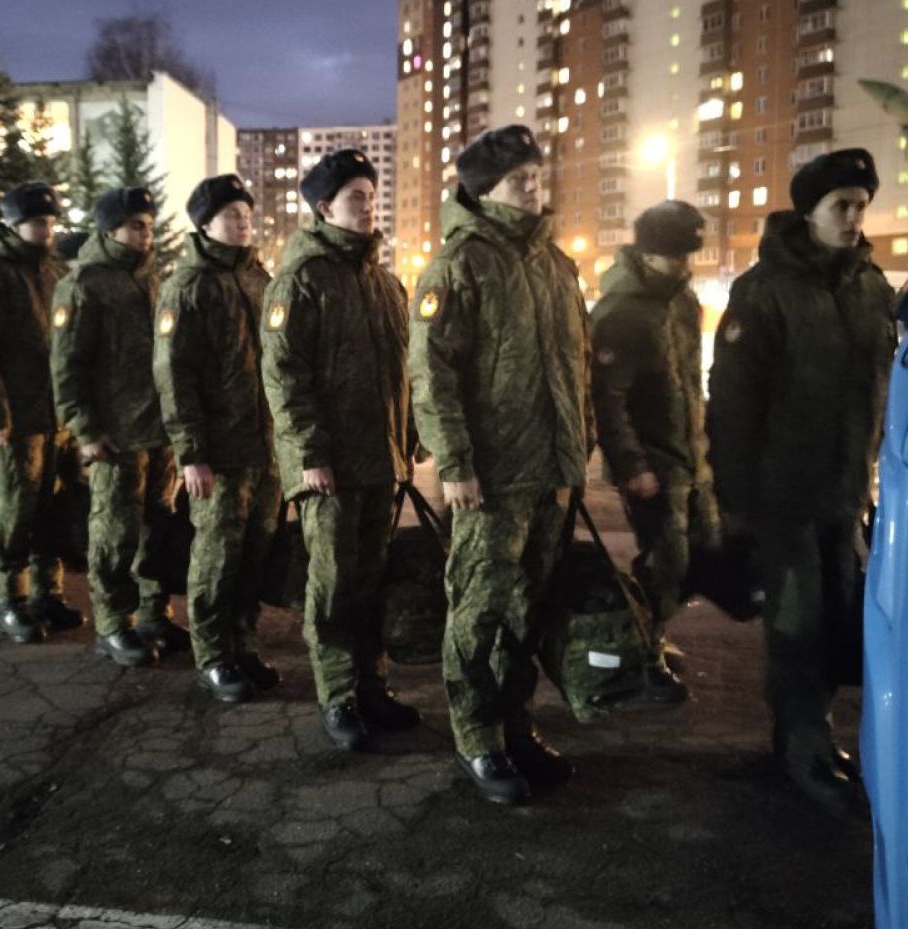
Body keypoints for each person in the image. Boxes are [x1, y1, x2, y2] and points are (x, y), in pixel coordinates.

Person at [707, 148, 896, 818]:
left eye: (861, 206)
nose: (853, 218)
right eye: (841, 206)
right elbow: (732, 409)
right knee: (797, 626)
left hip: (844, 495)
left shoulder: (872, 288)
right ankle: (801, 746)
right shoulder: (763, 292)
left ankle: (817, 735)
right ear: (809, 212)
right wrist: (738, 508)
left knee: (839, 620)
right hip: (782, 499)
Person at [409, 125, 590, 805]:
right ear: (485, 191)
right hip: (491, 477)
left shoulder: (555, 263)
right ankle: (477, 736)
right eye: (519, 180)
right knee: (479, 609)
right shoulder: (459, 264)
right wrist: (454, 463)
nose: (533, 188)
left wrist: (580, 449)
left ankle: (517, 726)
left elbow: (576, 365)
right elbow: (432, 375)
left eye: (536, 176)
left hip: (551, 472)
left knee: (528, 613)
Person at [262, 149, 414, 751]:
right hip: (328, 466)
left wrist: (409, 438)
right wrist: (308, 455)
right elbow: (284, 377)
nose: (368, 206)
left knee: (371, 578)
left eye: (372, 195)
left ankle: (373, 685)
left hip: (379, 460)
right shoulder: (300, 280)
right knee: (331, 584)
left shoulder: (383, 282)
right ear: (324, 208)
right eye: (356, 197)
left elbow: (403, 371)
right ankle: (338, 696)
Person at [153, 174, 282, 703]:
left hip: (264, 447)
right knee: (216, 555)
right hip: (219, 452)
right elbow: (174, 374)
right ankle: (212, 653)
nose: (243, 223)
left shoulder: (258, 279)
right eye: (231, 215)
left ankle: (243, 642)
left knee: (255, 552)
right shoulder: (189, 286)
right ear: (205, 224)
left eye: (247, 214)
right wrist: (192, 453)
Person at [51, 186, 189, 666]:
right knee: (114, 532)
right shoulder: (84, 285)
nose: (145, 233)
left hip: (157, 430)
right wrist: (85, 429)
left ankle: (154, 614)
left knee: (156, 530)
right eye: (135, 225)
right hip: (114, 434)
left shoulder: (150, 279)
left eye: (148, 224)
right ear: (110, 229)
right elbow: (67, 366)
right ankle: (113, 624)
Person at [588, 200, 715, 702]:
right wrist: (631, 465)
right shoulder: (622, 312)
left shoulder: (681, 303)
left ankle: (647, 632)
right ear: (647, 253)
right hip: (651, 462)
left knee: (692, 559)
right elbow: (607, 398)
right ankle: (640, 656)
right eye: (673, 256)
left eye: (688, 255)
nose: (683, 266)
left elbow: (690, 383)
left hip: (688, 457)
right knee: (668, 562)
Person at [0, 182, 86, 644]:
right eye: (37, 222)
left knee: (51, 510)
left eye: (51, 222)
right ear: (14, 225)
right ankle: (9, 601)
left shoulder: (51, 270)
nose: (47, 230)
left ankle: (46, 594)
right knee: (15, 510)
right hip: (17, 419)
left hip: (54, 417)